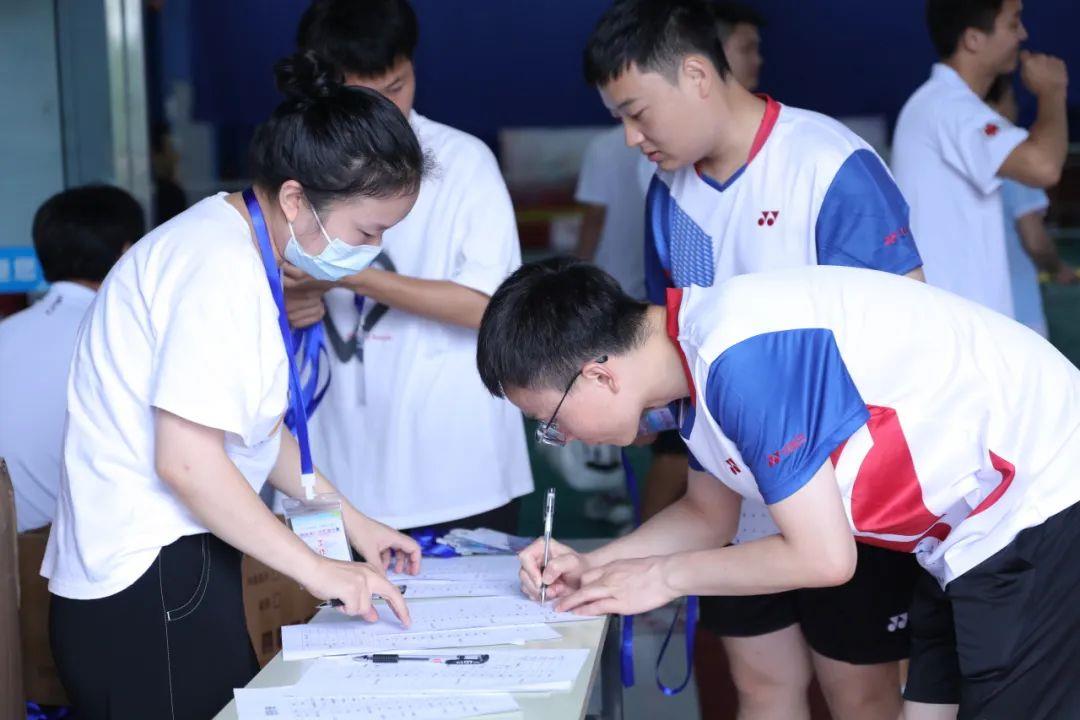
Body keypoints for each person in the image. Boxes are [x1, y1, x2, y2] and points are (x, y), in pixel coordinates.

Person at [480, 257, 1080, 720]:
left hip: (1037, 500)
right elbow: (708, 515)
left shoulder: (739, 358)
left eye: (550, 420)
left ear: (598, 375)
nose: (560, 436)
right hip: (961, 536)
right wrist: (594, 566)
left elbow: (824, 558)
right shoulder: (690, 356)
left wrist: (663, 578)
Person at [41, 52, 426, 720]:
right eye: (367, 231)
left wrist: (352, 522)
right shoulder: (215, 266)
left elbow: (254, 433)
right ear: (296, 199)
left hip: (173, 572)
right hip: (148, 582)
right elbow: (188, 464)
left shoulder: (235, 246)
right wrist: (319, 569)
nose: (369, 251)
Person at [582, 2, 923, 718]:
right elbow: (670, 345)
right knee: (762, 685)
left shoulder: (827, 163)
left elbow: (905, 337)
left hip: (848, 488)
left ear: (697, 75)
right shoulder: (668, 194)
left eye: (637, 113)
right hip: (731, 487)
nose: (632, 138)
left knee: (861, 694)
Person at [286, 0, 533, 535]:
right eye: (365, 96)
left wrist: (342, 272)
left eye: (398, 87)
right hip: (330, 472)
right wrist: (292, 298)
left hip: (455, 473)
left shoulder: (463, 162)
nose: (388, 111)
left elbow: (489, 307)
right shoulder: (295, 167)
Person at [892, 0, 1069, 317]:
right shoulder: (949, 105)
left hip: (956, 319)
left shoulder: (942, 103)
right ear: (973, 39)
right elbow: (1043, 166)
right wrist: (1053, 92)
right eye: (1013, 23)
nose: (1023, 34)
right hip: (957, 325)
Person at [0, 185, 143, 533]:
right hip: (82, 546)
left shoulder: (7, 332)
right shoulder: (122, 337)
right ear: (128, 252)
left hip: (13, 546)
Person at [984, 73, 1077, 336]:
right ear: (999, 103)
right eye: (1012, 99)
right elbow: (1034, 239)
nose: (1015, 107)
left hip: (973, 306)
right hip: (1018, 311)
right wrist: (1057, 268)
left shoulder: (957, 153)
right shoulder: (1016, 159)